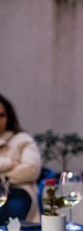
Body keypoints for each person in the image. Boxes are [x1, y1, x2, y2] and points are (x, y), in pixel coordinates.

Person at [0, 94, 42, 223]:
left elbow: (31, 170)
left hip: (17, 190)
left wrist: (2, 180)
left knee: (11, 208)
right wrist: (8, 163)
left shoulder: (22, 140)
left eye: (1, 115)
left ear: (9, 117)